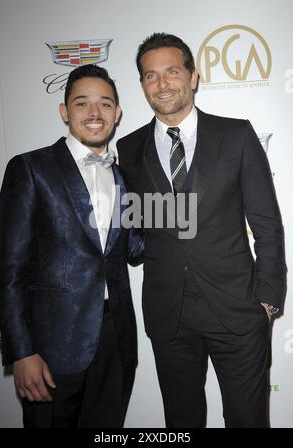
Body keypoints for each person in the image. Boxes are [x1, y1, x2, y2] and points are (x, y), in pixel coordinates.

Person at [117, 33, 286, 428]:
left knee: (248, 421)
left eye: (172, 72)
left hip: (238, 311)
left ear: (193, 76)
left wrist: (269, 302)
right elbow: (136, 228)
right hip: (168, 315)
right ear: (142, 84)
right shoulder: (128, 148)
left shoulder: (237, 135)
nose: (162, 84)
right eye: (150, 76)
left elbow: (267, 226)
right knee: (181, 422)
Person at [0, 64, 143, 428]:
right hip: (51, 347)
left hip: (116, 340)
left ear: (117, 113)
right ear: (64, 111)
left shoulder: (125, 177)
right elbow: (9, 269)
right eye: (82, 103)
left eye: (105, 104)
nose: (95, 113)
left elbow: (135, 249)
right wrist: (21, 352)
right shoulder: (30, 168)